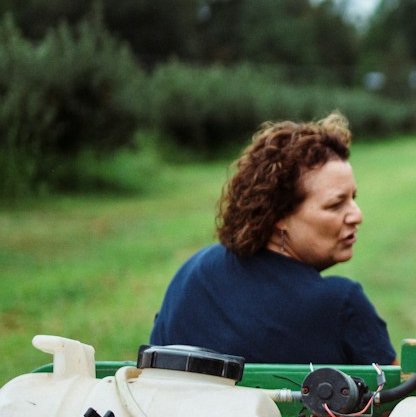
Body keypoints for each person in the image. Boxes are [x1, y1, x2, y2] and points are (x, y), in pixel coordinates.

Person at [148, 112, 394, 365]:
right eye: (335, 205)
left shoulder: (193, 273)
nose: (357, 215)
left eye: (353, 198)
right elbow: (400, 400)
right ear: (279, 216)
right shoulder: (340, 304)